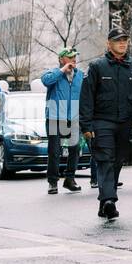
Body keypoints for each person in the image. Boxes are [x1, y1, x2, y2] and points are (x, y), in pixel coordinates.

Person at [80, 28, 132, 221]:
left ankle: (104, 203)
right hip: (101, 121)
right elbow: (86, 97)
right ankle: (110, 200)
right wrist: (86, 126)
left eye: (125, 40)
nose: (122, 43)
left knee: (118, 160)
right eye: (118, 40)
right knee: (105, 159)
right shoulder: (97, 66)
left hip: (125, 123)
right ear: (109, 44)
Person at [42, 47, 84, 195]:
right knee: (54, 151)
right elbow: (45, 81)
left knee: (75, 148)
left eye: (75, 56)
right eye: (70, 56)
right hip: (55, 116)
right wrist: (62, 70)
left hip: (73, 116)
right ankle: (53, 182)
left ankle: (69, 179)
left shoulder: (80, 75)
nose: (74, 59)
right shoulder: (53, 73)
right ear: (61, 59)